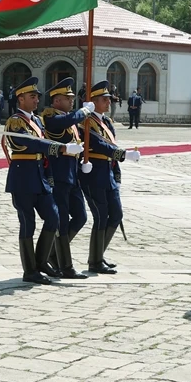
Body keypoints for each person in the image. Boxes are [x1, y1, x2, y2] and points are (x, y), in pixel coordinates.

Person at [3, 77, 80, 284]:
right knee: (28, 224)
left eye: (37, 96)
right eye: (32, 96)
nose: (37, 100)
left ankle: (41, 261)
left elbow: (43, 150)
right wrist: (62, 148)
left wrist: (50, 177)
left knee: (54, 218)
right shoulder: (15, 121)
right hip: (23, 179)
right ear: (21, 99)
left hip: (40, 178)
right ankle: (30, 271)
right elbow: (33, 143)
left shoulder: (37, 121)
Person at [78, 81, 140, 275]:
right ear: (94, 102)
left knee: (116, 215)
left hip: (108, 173)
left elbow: (111, 147)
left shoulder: (107, 122)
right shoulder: (86, 122)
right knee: (101, 216)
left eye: (109, 100)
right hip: (93, 174)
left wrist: (117, 174)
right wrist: (124, 154)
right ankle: (95, 261)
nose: (108, 103)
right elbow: (99, 145)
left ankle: (98, 255)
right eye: (104, 100)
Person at [39, 78, 93, 279]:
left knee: (80, 217)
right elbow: (65, 122)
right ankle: (66, 266)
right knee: (61, 221)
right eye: (67, 98)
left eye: (71, 98)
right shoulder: (51, 117)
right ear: (56, 101)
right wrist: (84, 111)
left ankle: (54, 253)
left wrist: (82, 164)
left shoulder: (69, 119)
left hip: (72, 176)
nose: (71, 101)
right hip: (58, 176)